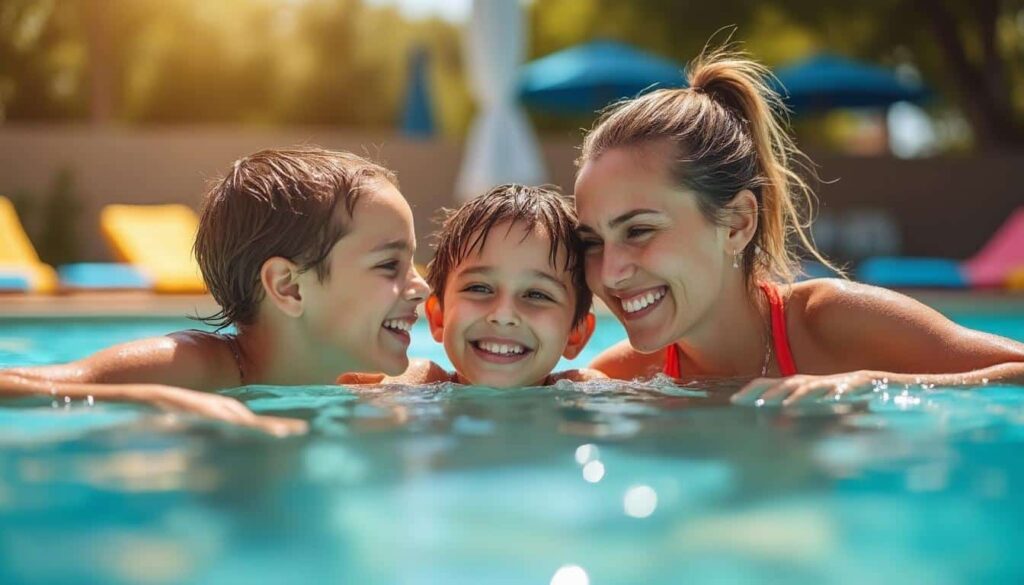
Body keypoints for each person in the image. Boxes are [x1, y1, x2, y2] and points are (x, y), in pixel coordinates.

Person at [572, 48, 1024, 405]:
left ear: (737, 223)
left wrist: (877, 384)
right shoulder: (622, 378)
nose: (610, 272)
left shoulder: (830, 325)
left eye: (638, 231)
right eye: (593, 241)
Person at [0, 148, 430, 433]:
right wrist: (150, 398)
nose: (421, 285)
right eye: (390, 264)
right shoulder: (194, 367)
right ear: (289, 287)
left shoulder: (371, 380)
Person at [342, 184, 600, 388]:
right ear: (438, 317)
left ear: (576, 333)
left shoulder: (587, 396)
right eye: (479, 288)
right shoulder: (417, 385)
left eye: (536, 294)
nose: (503, 315)